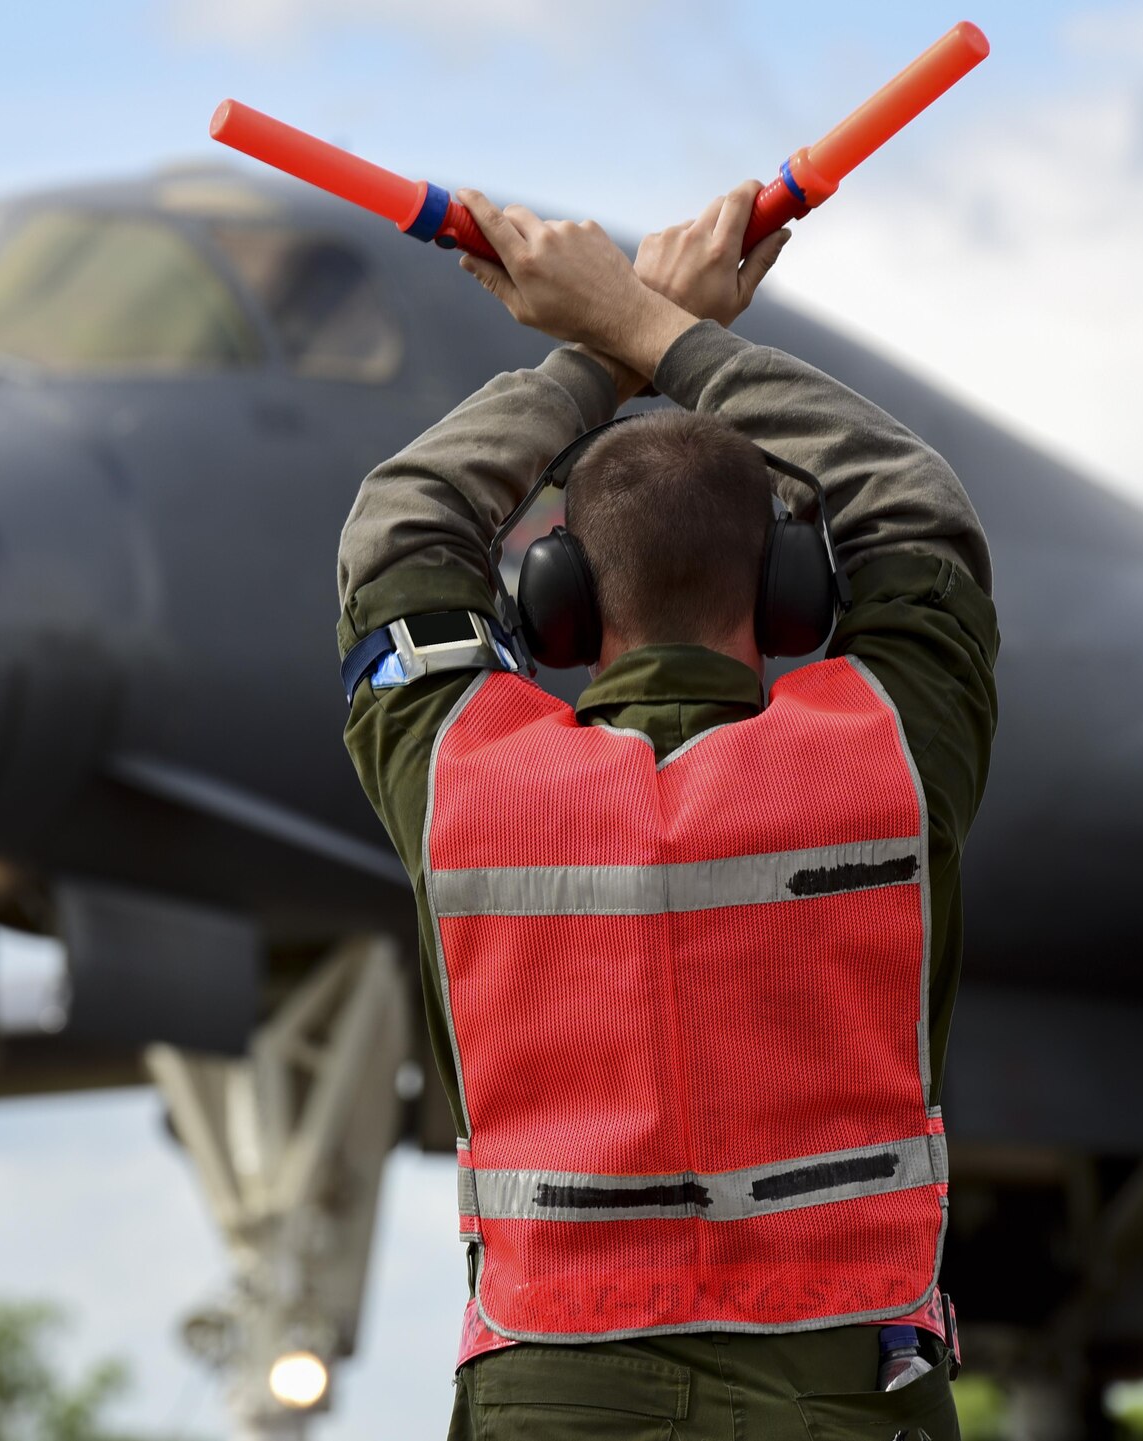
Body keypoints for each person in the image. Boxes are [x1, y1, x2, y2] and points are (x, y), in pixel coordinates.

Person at [336, 180, 998, 1440]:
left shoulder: (467, 779)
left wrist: (596, 346)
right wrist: (654, 332)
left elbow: (400, 525)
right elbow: (912, 504)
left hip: (553, 1392)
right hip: (848, 1392)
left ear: (561, 601)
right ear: (796, 590)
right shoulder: (886, 760)